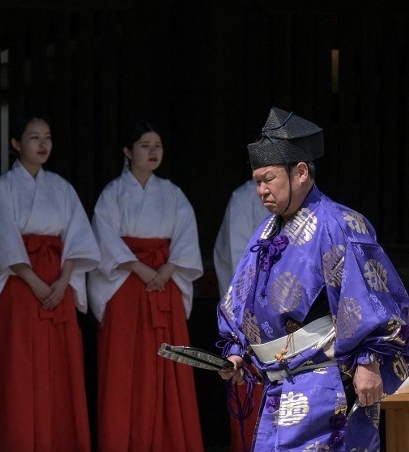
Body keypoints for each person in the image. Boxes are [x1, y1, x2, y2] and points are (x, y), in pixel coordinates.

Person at [217, 107, 409, 452]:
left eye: (269, 179)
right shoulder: (264, 233)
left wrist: (369, 361)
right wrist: (236, 352)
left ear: (301, 172)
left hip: (328, 382)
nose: (261, 190)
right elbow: (239, 299)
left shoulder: (341, 223)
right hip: (278, 385)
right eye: (257, 181)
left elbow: (371, 298)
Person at [0, 114, 99, 452]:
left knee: (59, 371)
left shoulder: (61, 187)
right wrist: (34, 280)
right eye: (33, 137)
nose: (42, 143)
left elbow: (77, 238)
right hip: (20, 286)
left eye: (46, 137)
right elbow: (1, 238)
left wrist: (62, 283)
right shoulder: (2, 187)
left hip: (57, 284)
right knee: (19, 370)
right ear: (16, 144)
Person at [87, 121, 204, 452]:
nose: (153, 152)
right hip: (126, 286)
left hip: (163, 284)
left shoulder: (172, 193)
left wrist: (167, 268)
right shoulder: (113, 193)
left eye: (158, 146)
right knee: (125, 368)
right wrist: (139, 267)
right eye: (144, 145)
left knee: (169, 365)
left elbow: (185, 237)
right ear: (127, 151)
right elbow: (104, 236)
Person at [213, 178, 270, 452]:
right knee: (252, 398)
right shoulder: (242, 198)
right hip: (253, 312)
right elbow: (239, 265)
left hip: (294, 324)